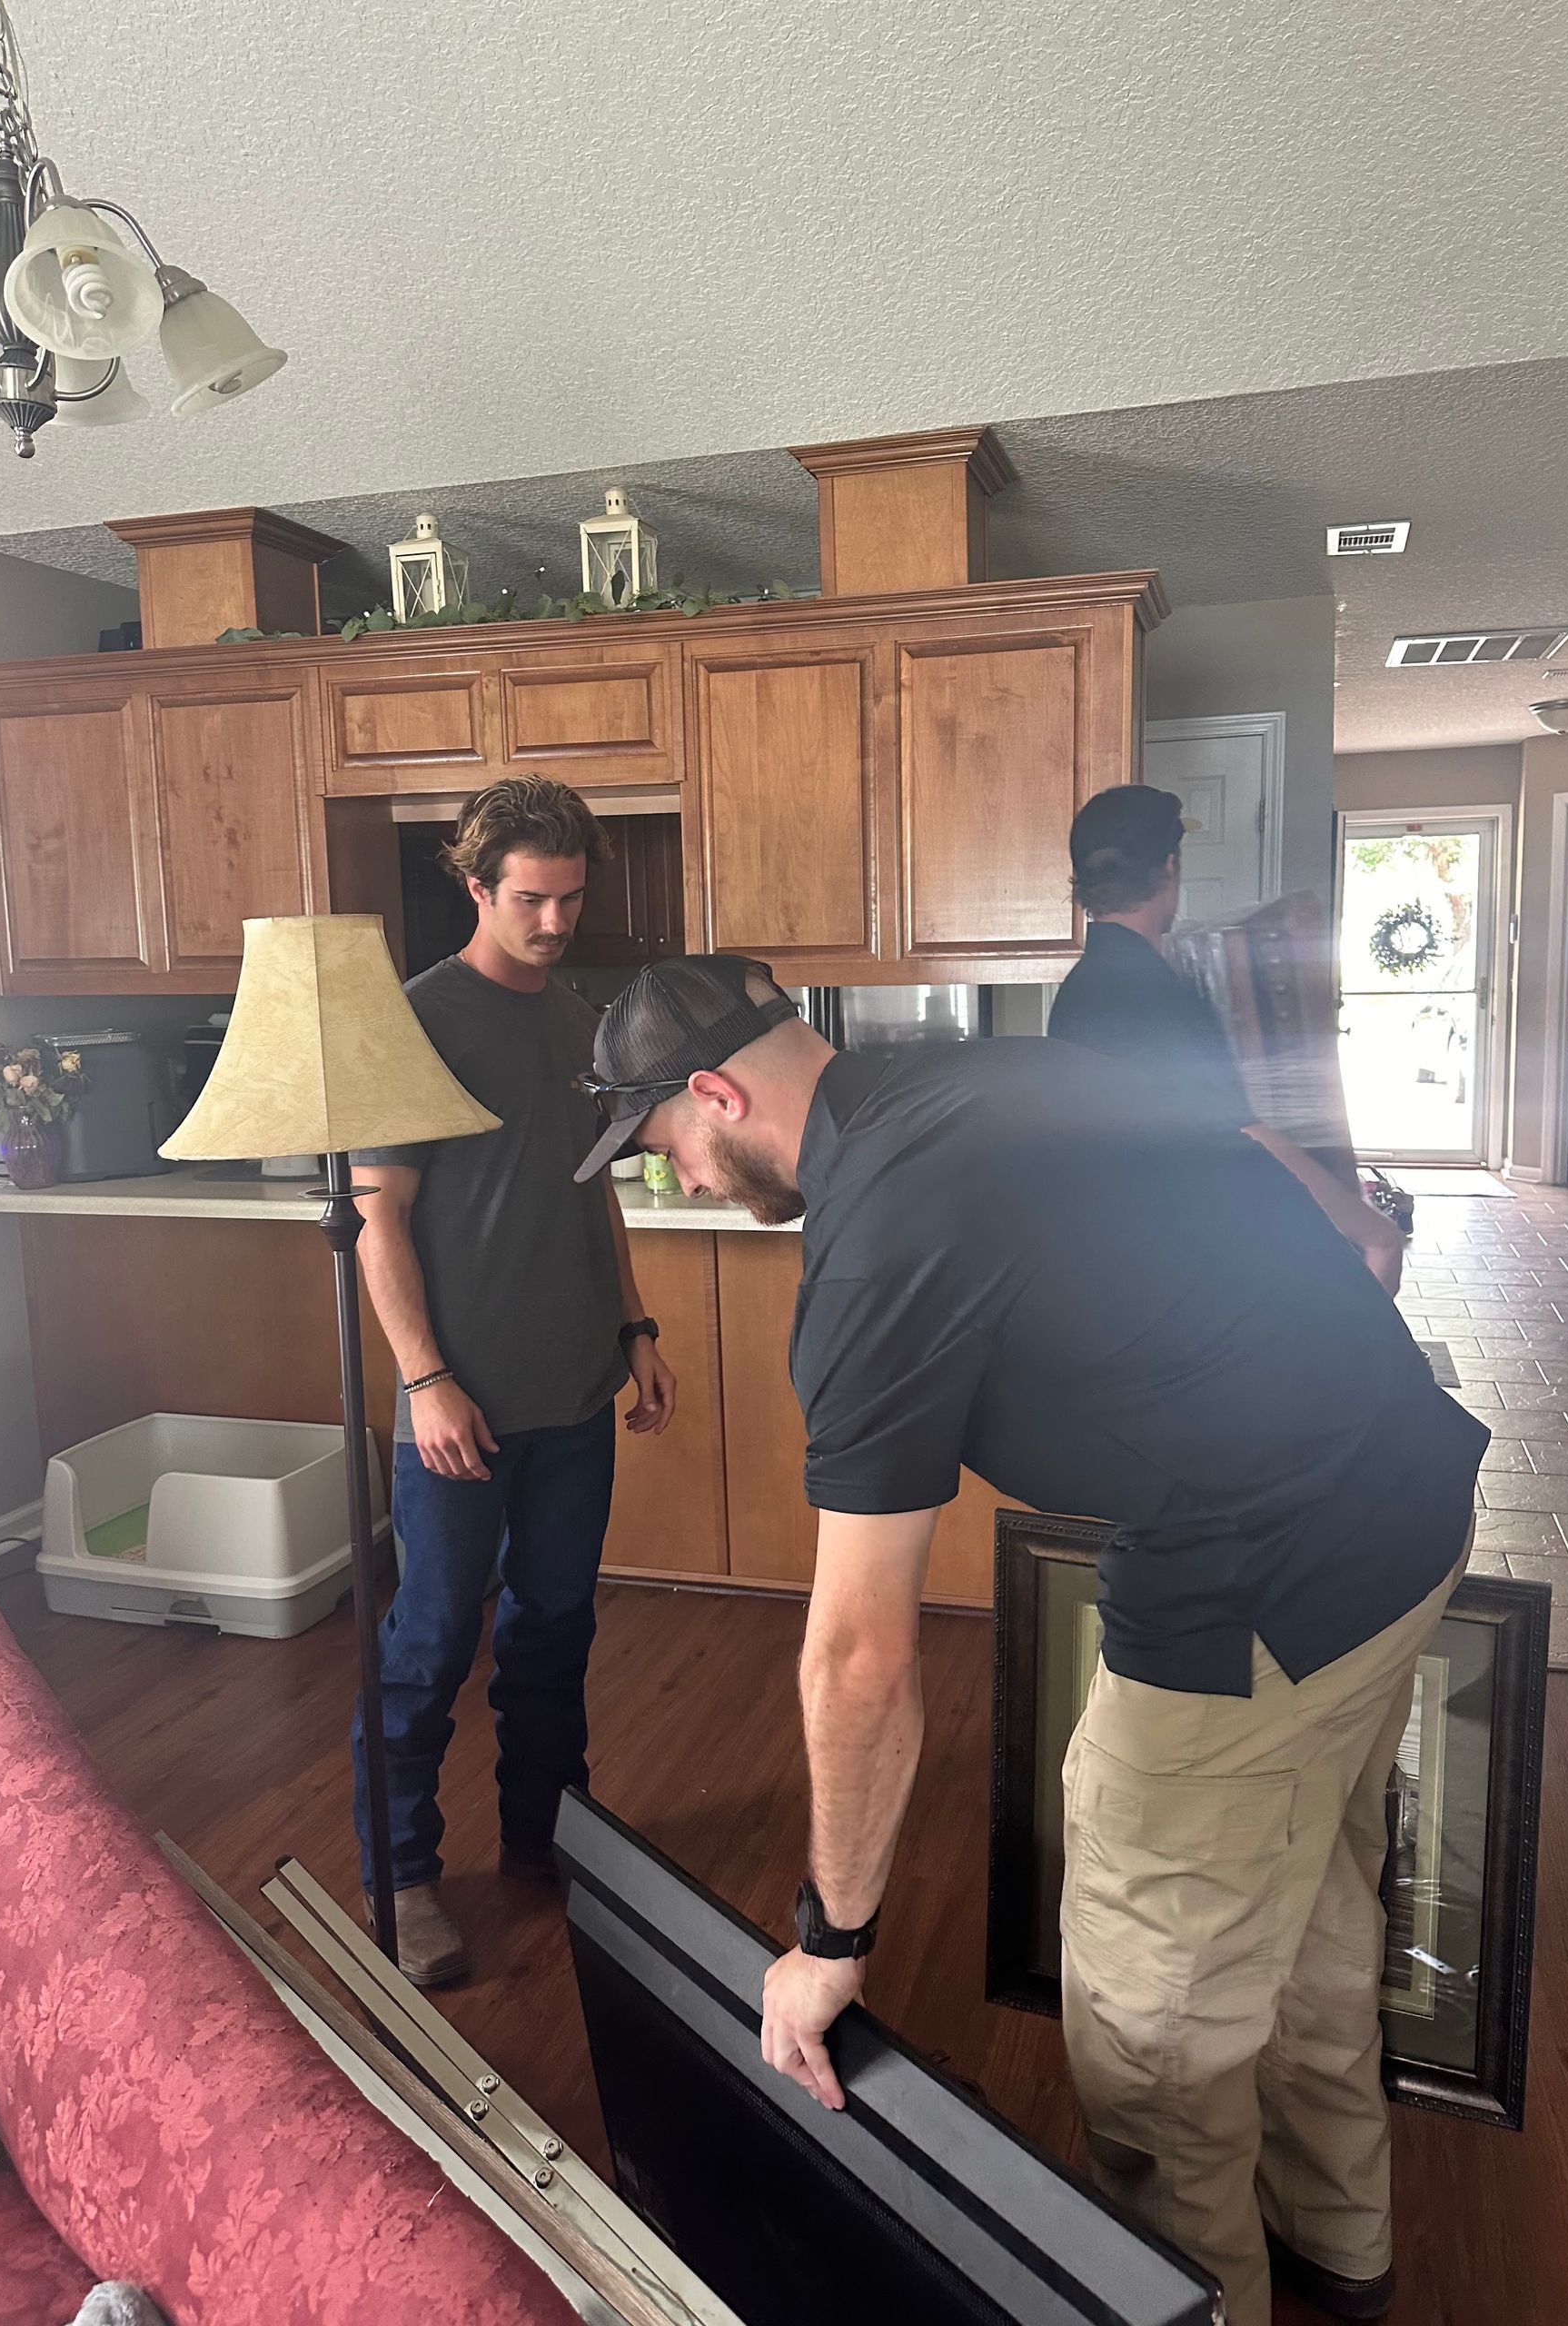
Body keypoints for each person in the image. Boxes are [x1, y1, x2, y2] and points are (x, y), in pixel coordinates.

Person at [573, 952, 1486, 2326]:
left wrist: (833, 1940)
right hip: (1410, 1494)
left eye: (667, 1151)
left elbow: (860, 1658)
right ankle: (1342, 2254)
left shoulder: (876, 1246)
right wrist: (1355, 1259)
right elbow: (1244, 1139)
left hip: (1261, 1574)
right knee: (1307, 1904)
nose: (680, 1185)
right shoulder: (980, 1069)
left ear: (718, 1094)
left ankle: (1205, 2301)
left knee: (1152, 2013)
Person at [352, 776, 675, 1987]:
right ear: (477, 888)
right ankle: (402, 1876)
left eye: (571, 898)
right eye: (532, 899)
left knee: (555, 1631)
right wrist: (427, 1380)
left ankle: (550, 1837)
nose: (554, 921)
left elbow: (593, 1184)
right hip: (459, 1408)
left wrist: (635, 1325)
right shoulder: (416, 1021)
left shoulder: (579, 1018)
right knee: (430, 1644)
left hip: (574, 1393)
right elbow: (378, 1220)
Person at [1050, 784, 1405, 1295]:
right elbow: (1248, 1139)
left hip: (1116, 1258)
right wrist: (1373, 1232)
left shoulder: (1080, 992)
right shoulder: (1154, 995)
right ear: (1171, 866)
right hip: (1171, 1272)